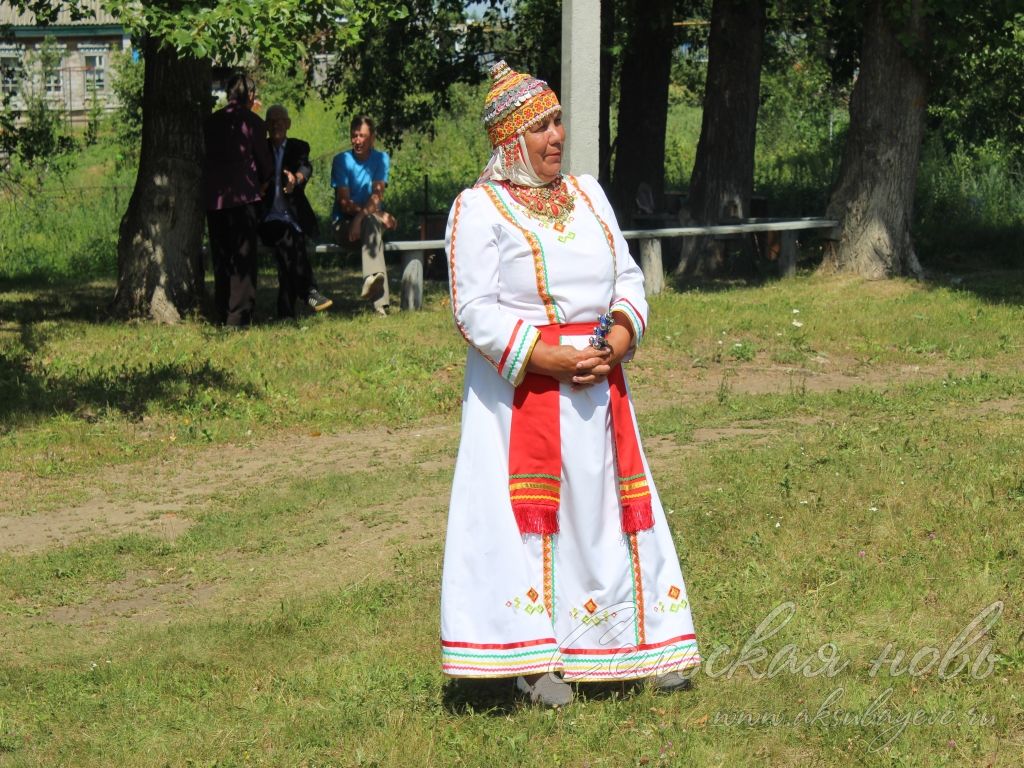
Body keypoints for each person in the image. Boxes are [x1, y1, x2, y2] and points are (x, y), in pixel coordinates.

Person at [440, 61, 700, 707]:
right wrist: (549, 359)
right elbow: (473, 309)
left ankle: (634, 644)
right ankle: (534, 661)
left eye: (558, 121)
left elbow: (628, 277)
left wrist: (615, 342)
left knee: (610, 510)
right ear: (510, 141)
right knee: (534, 518)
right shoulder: (479, 208)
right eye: (540, 127)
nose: (557, 136)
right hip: (522, 396)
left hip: (597, 387)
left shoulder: (589, 194)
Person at [204, 72, 273, 327]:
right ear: (250, 96)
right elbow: (264, 160)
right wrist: (264, 182)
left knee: (221, 257)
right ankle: (239, 316)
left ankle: (221, 311)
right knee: (242, 258)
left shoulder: (210, 123)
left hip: (214, 199)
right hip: (243, 198)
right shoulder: (253, 122)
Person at [259, 104, 333, 318]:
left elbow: (305, 168)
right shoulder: (260, 150)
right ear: (265, 125)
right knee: (288, 237)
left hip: (293, 217)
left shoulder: (299, 147)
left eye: (280, 120)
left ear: (288, 124)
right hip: (267, 219)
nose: (276, 125)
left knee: (289, 249)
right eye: (271, 121)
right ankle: (309, 291)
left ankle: (286, 312)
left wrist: (296, 179)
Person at [330, 116, 396, 316]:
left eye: (363, 136)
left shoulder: (381, 159)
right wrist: (375, 213)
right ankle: (380, 305)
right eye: (354, 136)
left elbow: (377, 195)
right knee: (374, 222)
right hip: (344, 225)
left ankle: (371, 278)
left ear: (372, 138)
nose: (358, 140)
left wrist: (362, 218)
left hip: (365, 224)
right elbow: (344, 203)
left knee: (371, 223)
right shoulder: (341, 161)